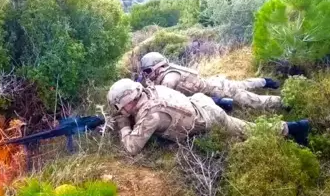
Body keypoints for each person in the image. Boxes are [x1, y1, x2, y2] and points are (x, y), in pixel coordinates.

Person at [107, 78, 310, 156]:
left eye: (121, 107)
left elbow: (132, 147)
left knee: (249, 130)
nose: (120, 110)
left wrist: (124, 125)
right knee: (244, 125)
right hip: (200, 102)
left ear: (130, 101)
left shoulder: (151, 114)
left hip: (209, 118)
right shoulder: (153, 90)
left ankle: (295, 127)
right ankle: (224, 103)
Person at [139, 52, 281, 109]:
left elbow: (164, 99)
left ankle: (284, 102)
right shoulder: (167, 73)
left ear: (158, 67)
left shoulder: (169, 79)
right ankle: (264, 81)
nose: (146, 75)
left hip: (219, 90)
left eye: (148, 71)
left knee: (253, 101)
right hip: (214, 84)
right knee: (243, 84)